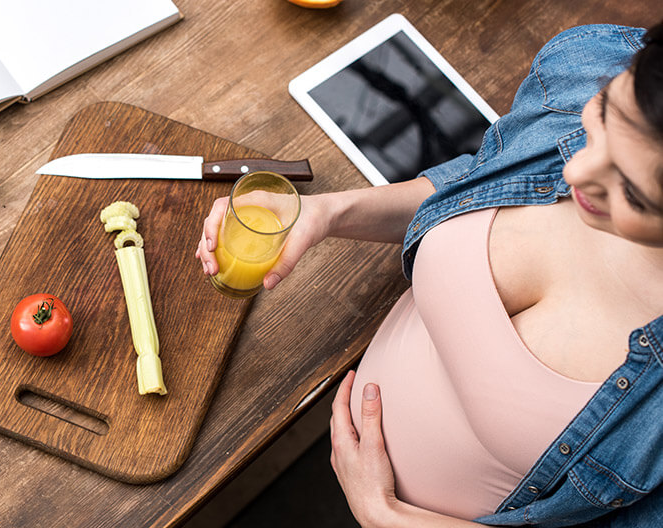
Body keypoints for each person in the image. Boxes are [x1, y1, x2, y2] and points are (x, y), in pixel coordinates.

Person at [196, 21, 663, 527]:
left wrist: (383, 515)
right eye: (602, 119)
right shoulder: (590, 68)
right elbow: (482, 181)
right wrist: (329, 212)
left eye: (631, 193)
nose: (576, 172)